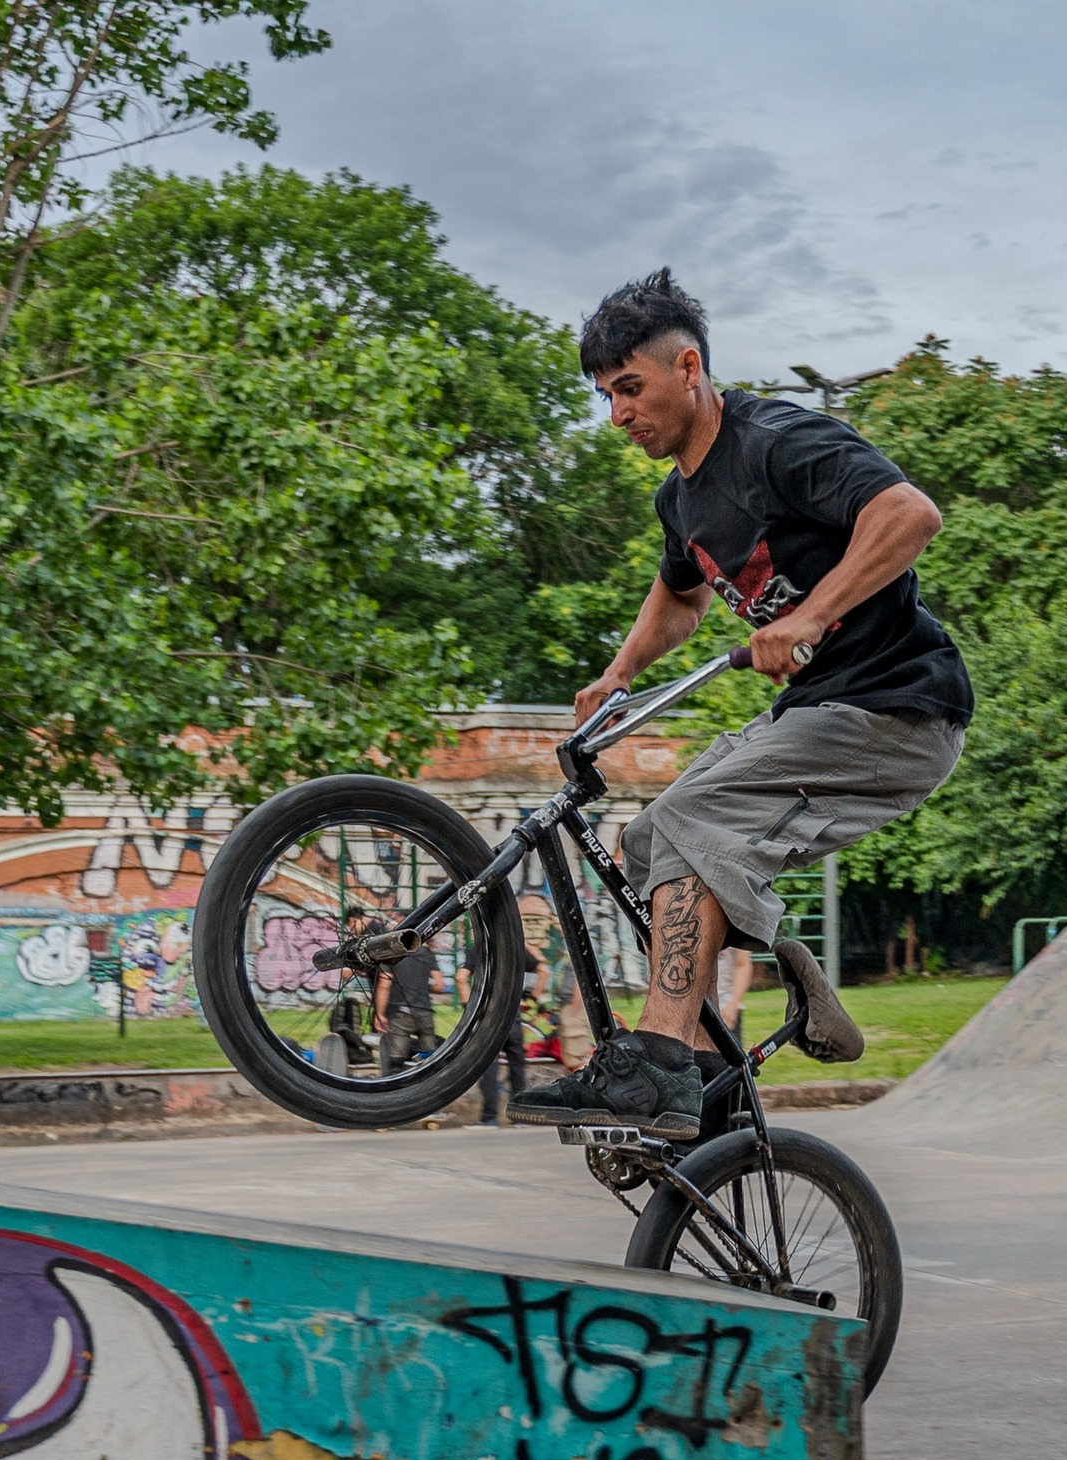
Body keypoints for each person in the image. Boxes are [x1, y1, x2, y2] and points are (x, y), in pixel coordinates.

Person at [512, 270, 972, 1140]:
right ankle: (711, 1061)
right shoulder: (680, 498)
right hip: (820, 710)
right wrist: (619, 672)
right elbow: (680, 596)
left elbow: (910, 515)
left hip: (898, 706)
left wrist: (810, 615)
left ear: (688, 367)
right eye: (608, 397)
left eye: (630, 388)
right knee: (648, 840)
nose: (618, 415)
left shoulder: (778, 442)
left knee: (697, 816)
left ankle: (658, 1061)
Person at [457, 940, 546, 1125]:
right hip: (512, 1015)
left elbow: (461, 977)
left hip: (489, 1015)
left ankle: (490, 1117)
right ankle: (520, 1117)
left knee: (488, 1065)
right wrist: (532, 999)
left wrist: (468, 1005)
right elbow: (544, 972)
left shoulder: (480, 947)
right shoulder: (514, 948)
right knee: (517, 1066)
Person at [374, 936, 443, 1067]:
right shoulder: (427, 953)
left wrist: (380, 1015)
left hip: (401, 1014)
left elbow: (384, 985)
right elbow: (439, 985)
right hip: (425, 1012)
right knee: (429, 1060)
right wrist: (421, 986)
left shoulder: (392, 953)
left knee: (396, 1059)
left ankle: (397, 1075)